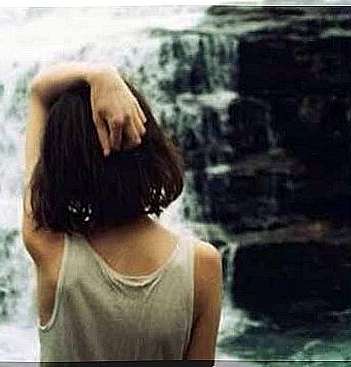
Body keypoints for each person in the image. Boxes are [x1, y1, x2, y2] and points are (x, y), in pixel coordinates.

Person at [21, 62, 223, 364]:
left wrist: (98, 74)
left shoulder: (51, 250)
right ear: (150, 147)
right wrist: (110, 80)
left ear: (61, 168)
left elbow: (39, 92)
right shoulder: (202, 266)